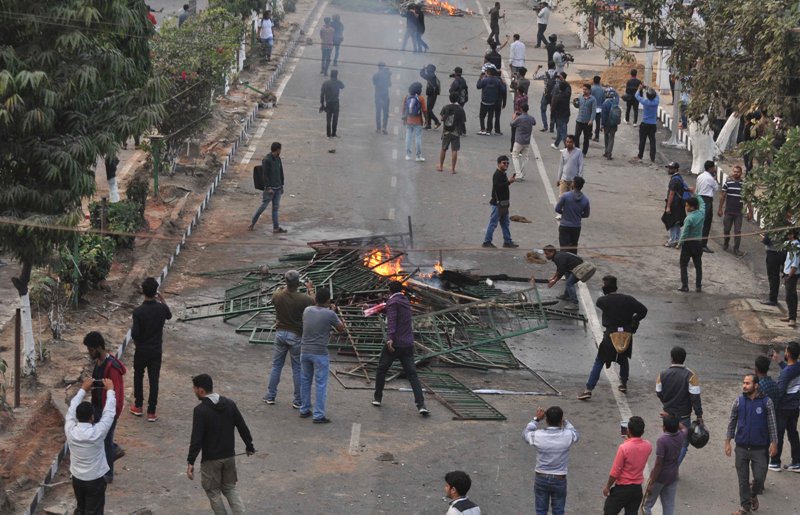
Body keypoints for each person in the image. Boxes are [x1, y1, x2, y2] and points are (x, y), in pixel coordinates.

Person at [186, 374, 255, 515]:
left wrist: (191, 461)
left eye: (194, 388)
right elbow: (242, 426)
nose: (194, 391)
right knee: (230, 488)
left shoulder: (200, 411)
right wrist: (249, 446)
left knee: (213, 492)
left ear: (201, 390)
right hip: (229, 456)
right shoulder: (229, 404)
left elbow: (196, 439)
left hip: (211, 460)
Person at [578, 276, 648, 399]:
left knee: (600, 360)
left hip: (610, 334)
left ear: (605, 287)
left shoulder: (602, 301)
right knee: (623, 358)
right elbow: (643, 310)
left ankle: (589, 389)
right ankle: (623, 384)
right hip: (626, 334)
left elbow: (601, 304)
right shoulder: (629, 299)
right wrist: (634, 320)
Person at [372, 281, 429, 415]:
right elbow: (388, 309)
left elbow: (392, 320)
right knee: (412, 375)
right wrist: (370, 307)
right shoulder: (405, 301)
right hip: (407, 344)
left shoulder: (393, 302)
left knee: (382, 369)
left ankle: (377, 397)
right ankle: (421, 405)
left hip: (395, 344)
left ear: (390, 290)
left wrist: (390, 339)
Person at [725, 374, 778, 515]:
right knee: (743, 480)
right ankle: (745, 508)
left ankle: (753, 494)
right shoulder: (738, 401)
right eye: (744, 382)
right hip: (741, 447)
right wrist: (728, 442)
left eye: (748, 383)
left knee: (759, 478)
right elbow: (732, 422)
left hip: (760, 448)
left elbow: (772, 425)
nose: (744, 385)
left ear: (756, 385)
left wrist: (774, 443)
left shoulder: (767, 402)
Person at [263, 270, 314, 408]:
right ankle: (298, 400)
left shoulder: (277, 294)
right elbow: (315, 303)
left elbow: (275, 299)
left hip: (280, 333)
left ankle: (270, 396)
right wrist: (310, 289)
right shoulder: (303, 299)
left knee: (276, 366)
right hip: (295, 335)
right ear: (297, 283)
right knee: (297, 368)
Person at [65, 378, 115, 515]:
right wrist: (110, 390)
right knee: (94, 511)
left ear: (77, 416)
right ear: (92, 417)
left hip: (77, 479)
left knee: (81, 508)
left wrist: (83, 389)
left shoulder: (70, 430)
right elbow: (109, 413)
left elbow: (71, 409)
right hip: (95, 480)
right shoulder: (98, 432)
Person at [84, 332, 126, 483]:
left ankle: (108, 474)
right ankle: (112, 452)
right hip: (98, 407)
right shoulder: (99, 363)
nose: (89, 353)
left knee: (106, 440)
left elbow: (116, 392)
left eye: (91, 350)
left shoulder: (112, 368)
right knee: (100, 438)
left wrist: (112, 414)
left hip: (108, 410)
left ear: (98, 348)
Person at [522, 406, 580, 515]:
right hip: (559, 478)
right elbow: (575, 433)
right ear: (560, 420)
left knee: (541, 511)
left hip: (541, 477)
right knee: (558, 511)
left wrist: (536, 419)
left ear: (547, 420)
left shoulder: (538, 435)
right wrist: (565, 421)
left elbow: (525, 434)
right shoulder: (567, 435)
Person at [299, 287, 345, 423]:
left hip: (305, 350)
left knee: (305, 381)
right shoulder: (330, 314)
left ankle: (304, 409)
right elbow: (341, 328)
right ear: (328, 300)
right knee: (320, 384)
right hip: (320, 353)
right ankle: (318, 415)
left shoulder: (307, 310)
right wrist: (334, 312)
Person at [130, 277, 172, 422]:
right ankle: (152, 412)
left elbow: (135, 334)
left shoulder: (138, 312)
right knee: (154, 380)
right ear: (156, 292)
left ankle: (138, 406)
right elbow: (169, 315)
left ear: (143, 291)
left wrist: (138, 342)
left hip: (141, 350)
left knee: (138, 376)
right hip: (156, 350)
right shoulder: (161, 309)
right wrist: (162, 299)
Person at [655, 346, 703, 464]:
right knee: (683, 444)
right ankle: (674, 466)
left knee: (667, 440)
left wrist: (666, 403)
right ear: (684, 359)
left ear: (671, 358)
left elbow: (658, 392)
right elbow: (695, 398)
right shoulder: (691, 375)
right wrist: (699, 415)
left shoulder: (662, 374)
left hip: (667, 414)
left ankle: (665, 465)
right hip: (684, 416)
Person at [602, 416, 652, 515]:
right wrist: (629, 439)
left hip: (622, 489)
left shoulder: (623, 448)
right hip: (637, 490)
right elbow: (637, 447)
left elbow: (615, 472)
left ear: (628, 431)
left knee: (609, 511)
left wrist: (607, 487)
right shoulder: (648, 445)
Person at [642, 416, 688, 515]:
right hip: (673, 475)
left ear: (664, 427)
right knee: (669, 506)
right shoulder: (681, 436)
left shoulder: (662, 440)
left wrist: (651, 482)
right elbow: (684, 428)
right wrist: (675, 421)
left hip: (660, 477)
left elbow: (659, 463)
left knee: (647, 505)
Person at [769, 341, 800, 471]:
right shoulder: (798, 366)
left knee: (779, 434)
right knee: (793, 434)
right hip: (795, 407)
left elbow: (780, 393)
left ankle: (775, 462)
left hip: (783, 409)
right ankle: (797, 462)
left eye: (786, 350)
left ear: (788, 353)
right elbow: (790, 370)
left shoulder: (786, 373)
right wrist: (780, 362)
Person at [248, 141, 287, 233]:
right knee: (263, 207)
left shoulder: (278, 159)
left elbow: (280, 172)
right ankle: (252, 223)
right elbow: (265, 175)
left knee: (275, 209)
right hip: (270, 189)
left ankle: (276, 227)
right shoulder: (267, 160)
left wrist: (281, 185)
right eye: (280, 149)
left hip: (278, 188)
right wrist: (268, 187)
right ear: (277, 150)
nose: (280, 151)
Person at [482, 155, 518, 249]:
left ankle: (507, 241)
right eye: (504, 163)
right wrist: (509, 182)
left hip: (504, 204)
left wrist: (509, 182)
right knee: (493, 223)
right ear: (498, 164)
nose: (506, 165)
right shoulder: (497, 174)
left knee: (505, 223)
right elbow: (497, 187)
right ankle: (487, 242)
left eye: (507, 163)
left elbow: (502, 186)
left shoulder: (502, 173)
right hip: (498, 204)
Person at [718, 165, 750, 256]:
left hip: (739, 213)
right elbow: (722, 196)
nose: (736, 173)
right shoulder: (728, 183)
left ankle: (736, 249)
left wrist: (750, 212)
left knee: (737, 232)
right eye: (734, 171)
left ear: (741, 173)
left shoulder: (744, 185)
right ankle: (726, 242)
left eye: (738, 172)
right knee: (726, 229)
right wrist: (720, 209)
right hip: (728, 212)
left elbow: (748, 199)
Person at [677, 196, 705, 293]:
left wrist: (679, 243)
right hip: (698, 244)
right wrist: (696, 194)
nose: (686, 207)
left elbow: (684, 233)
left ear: (692, 207)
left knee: (683, 264)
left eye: (687, 206)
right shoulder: (701, 214)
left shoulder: (689, 219)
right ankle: (698, 286)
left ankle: (685, 286)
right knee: (698, 265)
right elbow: (703, 203)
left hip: (688, 245)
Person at [555, 177, 589, 253]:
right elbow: (586, 214)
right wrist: (578, 215)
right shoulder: (585, 199)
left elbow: (557, 209)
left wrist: (565, 213)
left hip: (565, 225)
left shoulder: (565, 196)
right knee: (573, 247)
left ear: (573, 184)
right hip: (576, 227)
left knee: (564, 248)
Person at [543, 245, 583, 309]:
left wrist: (554, 281)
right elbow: (559, 268)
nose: (546, 256)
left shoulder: (557, 257)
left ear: (552, 252)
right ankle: (567, 295)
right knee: (567, 277)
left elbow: (561, 271)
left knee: (569, 283)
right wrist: (553, 277)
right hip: (572, 267)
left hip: (580, 268)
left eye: (547, 254)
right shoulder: (556, 256)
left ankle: (575, 304)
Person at [663, 162, 691, 247]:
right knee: (677, 222)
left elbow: (671, 194)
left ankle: (673, 240)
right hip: (679, 204)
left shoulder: (674, 180)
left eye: (671, 168)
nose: (669, 169)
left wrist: (668, 206)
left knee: (673, 222)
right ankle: (677, 239)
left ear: (676, 169)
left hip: (674, 204)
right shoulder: (679, 177)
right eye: (669, 168)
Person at [438, 92, 466, 174]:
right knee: (454, 150)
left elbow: (441, 118)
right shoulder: (460, 109)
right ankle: (453, 169)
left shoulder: (446, 107)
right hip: (456, 132)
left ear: (449, 99)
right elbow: (463, 121)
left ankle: (441, 166)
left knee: (443, 149)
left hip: (446, 131)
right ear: (457, 99)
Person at [695, 160, 719, 252]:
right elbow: (716, 188)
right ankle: (703, 244)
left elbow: (697, 188)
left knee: (699, 221)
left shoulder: (700, 176)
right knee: (706, 223)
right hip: (707, 200)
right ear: (711, 168)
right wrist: (715, 178)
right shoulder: (710, 178)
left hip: (699, 198)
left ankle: (696, 241)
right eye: (714, 168)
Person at [476, 66, 505, 136]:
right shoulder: (497, 81)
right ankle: (489, 130)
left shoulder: (485, 80)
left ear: (488, 73)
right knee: (490, 116)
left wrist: (480, 78)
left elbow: (478, 86)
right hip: (492, 102)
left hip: (484, 101)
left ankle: (482, 129)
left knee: (482, 116)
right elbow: (503, 89)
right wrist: (502, 82)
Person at [510, 103, 536, 180]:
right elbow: (534, 123)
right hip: (527, 140)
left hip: (519, 140)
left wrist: (514, 117)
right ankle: (522, 173)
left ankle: (518, 174)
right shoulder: (531, 118)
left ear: (521, 109)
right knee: (525, 157)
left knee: (515, 156)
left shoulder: (519, 118)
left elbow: (512, 124)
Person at [402, 82, 427, 162]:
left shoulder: (407, 97)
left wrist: (404, 119)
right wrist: (426, 119)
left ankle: (408, 155)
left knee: (408, 137)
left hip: (409, 120)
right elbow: (424, 110)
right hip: (418, 121)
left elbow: (404, 109)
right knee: (418, 138)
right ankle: (418, 156)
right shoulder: (421, 98)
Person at [634, 86, 659, 163]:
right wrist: (649, 88)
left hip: (644, 124)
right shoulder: (656, 102)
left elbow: (636, 96)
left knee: (642, 141)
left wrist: (640, 89)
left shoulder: (645, 101)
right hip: (653, 124)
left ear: (647, 96)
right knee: (652, 141)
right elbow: (656, 94)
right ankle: (652, 157)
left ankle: (640, 155)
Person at [760, 231, 785, 306]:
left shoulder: (772, 227)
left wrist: (763, 237)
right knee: (775, 276)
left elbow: (766, 241)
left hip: (772, 252)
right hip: (781, 252)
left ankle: (772, 299)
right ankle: (773, 298)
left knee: (773, 276)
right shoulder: (784, 225)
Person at [781, 230, 800, 327]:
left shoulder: (797, 246)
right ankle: (790, 315)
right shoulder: (790, 244)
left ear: (792, 235)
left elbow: (795, 263)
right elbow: (781, 244)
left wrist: (790, 275)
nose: (786, 235)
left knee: (791, 296)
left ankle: (792, 318)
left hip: (792, 274)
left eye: (788, 233)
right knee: (789, 296)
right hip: (787, 272)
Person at [320, 69, 344, 138]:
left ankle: (328, 134)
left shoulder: (325, 83)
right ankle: (334, 133)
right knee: (335, 119)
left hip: (328, 103)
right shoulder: (338, 82)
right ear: (336, 75)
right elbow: (343, 86)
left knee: (328, 119)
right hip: (336, 103)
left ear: (330, 75)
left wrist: (322, 104)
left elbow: (322, 95)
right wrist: (337, 80)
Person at [573, 84, 596, 156]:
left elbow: (593, 111)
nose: (584, 91)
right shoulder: (580, 97)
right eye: (583, 89)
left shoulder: (593, 99)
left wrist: (591, 120)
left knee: (586, 138)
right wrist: (575, 103)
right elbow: (577, 106)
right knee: (576, 136)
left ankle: (584, 152)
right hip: (579, 120)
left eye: (585, 89)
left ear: (589, 90)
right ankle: (577, 151)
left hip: (587, 122)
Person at [534, 62, 557, 133]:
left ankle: (545, 126)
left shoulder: (545, 74)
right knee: (553, 111)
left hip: (546, 94)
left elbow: (534, 77)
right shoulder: (557, 74)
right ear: (554, 66)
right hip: (554, 96)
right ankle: (552, 127)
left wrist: (537, 68)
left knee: (543, 110)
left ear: (548, 66)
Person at [600, 88, 620, 159]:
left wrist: (602, 125)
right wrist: (614, 91)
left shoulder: (605, 103)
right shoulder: (616, 102)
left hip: (607, 123)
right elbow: (617, 95)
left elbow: (603, 116)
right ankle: (609, 153)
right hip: (614, 123)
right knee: (612, 138)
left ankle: (606, 151)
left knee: (606, 137)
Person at [550, 79, 571, 148]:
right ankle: (556, 144)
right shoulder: (567, 95)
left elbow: (553, 108)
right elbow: (569, 87)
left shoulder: (557, 97)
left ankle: (567, 147)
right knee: (560, 130)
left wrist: (552, 117)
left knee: (563, 132)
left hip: (560, 116)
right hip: (566, 115)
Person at [420, 64, 441, 129]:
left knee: (428, 110)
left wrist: (423, 69)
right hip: (431, 94)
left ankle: (437, 121)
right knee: (428, 109)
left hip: (432, 95)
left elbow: (422, 74)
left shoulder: (431, 76)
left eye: (427, 69)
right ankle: (428, 125)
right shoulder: (432, 75)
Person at [373, 62, 391, 134]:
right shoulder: (387, 75)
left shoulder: (375, 75)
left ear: (378, 67)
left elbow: (374, 83)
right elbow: (390, 84)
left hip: (378, 95)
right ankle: (384, 127)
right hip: (385, 95)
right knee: (385, 112)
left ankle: (378, 128)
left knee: (378, 112)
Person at [509, 86, 528, 152]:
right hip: (524, 116)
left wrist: (514, 116)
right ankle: (520, 150)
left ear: (518, 91)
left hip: (518, 116)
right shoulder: (526, 97)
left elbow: (516, 109)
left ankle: (512, 149)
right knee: (521, 134)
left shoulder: (518, 100)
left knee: (514, 134)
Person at [590, 76, 605, 141]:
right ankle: (597, 137)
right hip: (599, 108)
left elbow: (589, 97)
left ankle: (590, 135)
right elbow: (604, 99)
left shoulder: (591, 88)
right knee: (598, 123)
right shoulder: (602, 89)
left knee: (590, 121)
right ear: (599, 81)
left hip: (592, 108)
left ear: (593, 80)